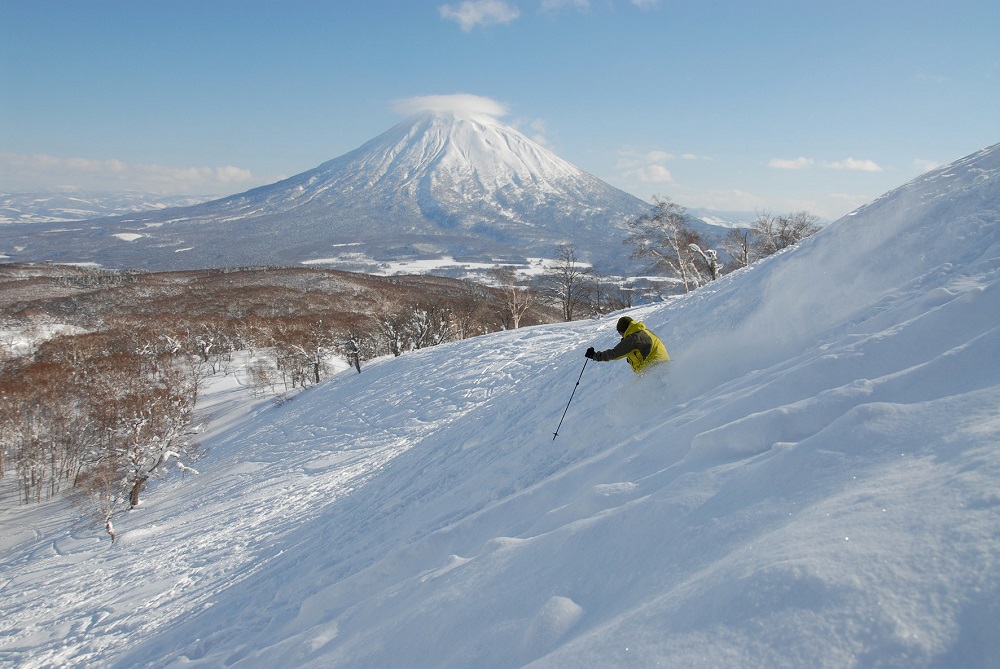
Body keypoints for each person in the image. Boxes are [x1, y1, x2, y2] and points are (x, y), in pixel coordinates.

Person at [585, 316, 669, 374]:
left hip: (653, 369)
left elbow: (615, 353)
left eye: (620, 332)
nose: (621, 335)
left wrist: (594, 356)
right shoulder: (646, 332)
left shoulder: (633, 339)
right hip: (663, 365)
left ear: (624, 330)